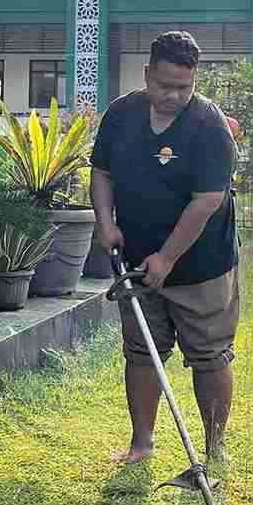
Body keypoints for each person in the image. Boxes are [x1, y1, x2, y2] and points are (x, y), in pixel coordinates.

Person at [90, 30, 239, 464]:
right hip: (136, 260)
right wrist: (106, 224)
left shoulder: (209, 125)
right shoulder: (121, 115)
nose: (173, 95)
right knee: (141, 351)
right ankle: (142, 443)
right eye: (163, 85)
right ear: (146, 74)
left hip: (201, 266)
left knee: (209, 356)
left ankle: (214, 450)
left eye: (183, 87)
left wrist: (168, 258)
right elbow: (101, 173)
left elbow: (208, 200)